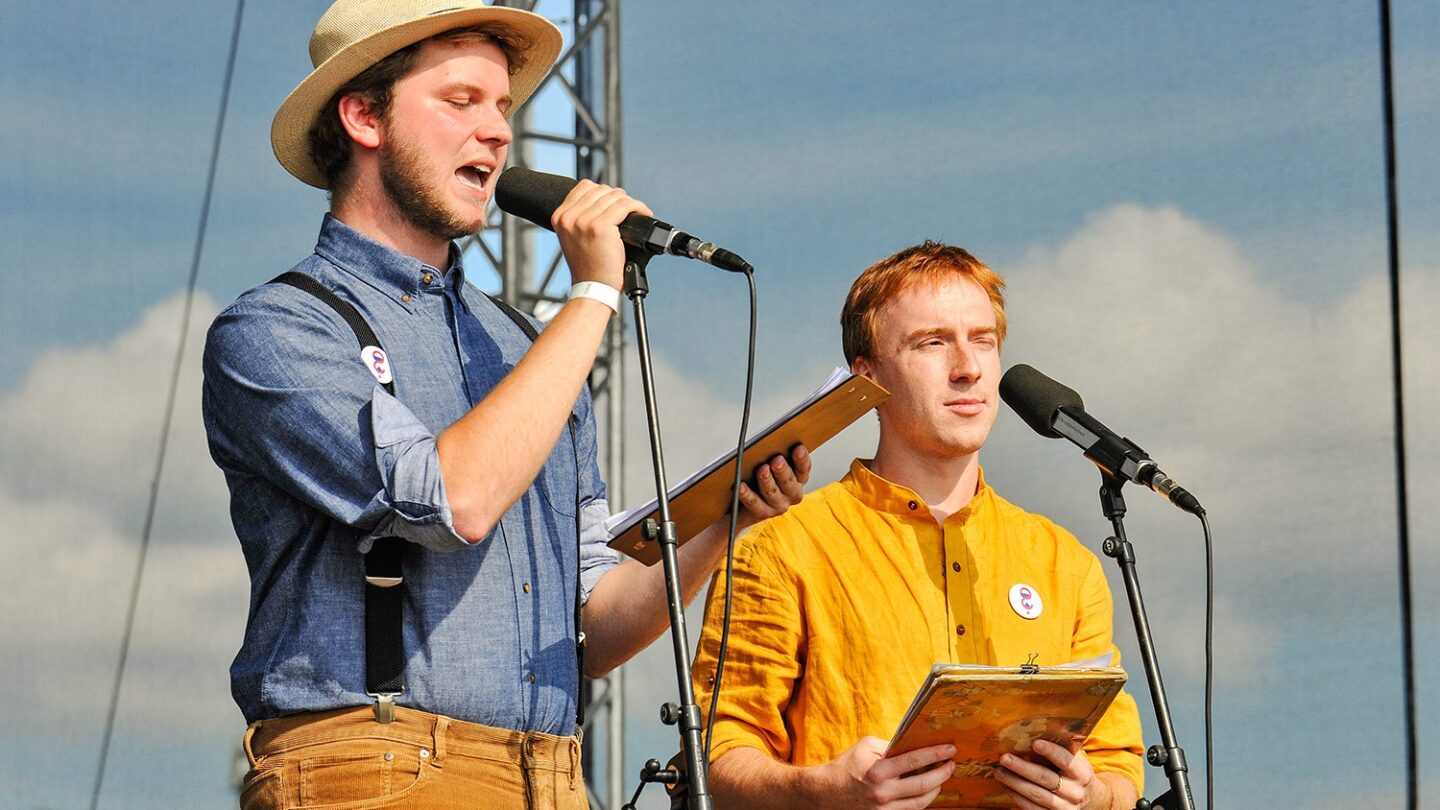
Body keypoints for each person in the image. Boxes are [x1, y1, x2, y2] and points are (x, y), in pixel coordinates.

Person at [201, 2, 809, 808]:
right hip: (381, 767)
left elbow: (594, 625)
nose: (496, 131)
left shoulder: (528, 345)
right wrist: (592, 290)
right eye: (461, 101)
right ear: (362, 116)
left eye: (503, 108)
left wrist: (718, 522)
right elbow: (451, 500)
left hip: (553, 776)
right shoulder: (278, 328)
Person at [691, 242, 1144, 810]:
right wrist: (826, 792)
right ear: (868, 377)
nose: (968, 368)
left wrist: (1092, 796)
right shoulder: (781, 550)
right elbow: (717, 754)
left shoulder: (1065, 562)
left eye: (984, 340)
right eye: (933, 343)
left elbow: (1118, 765)